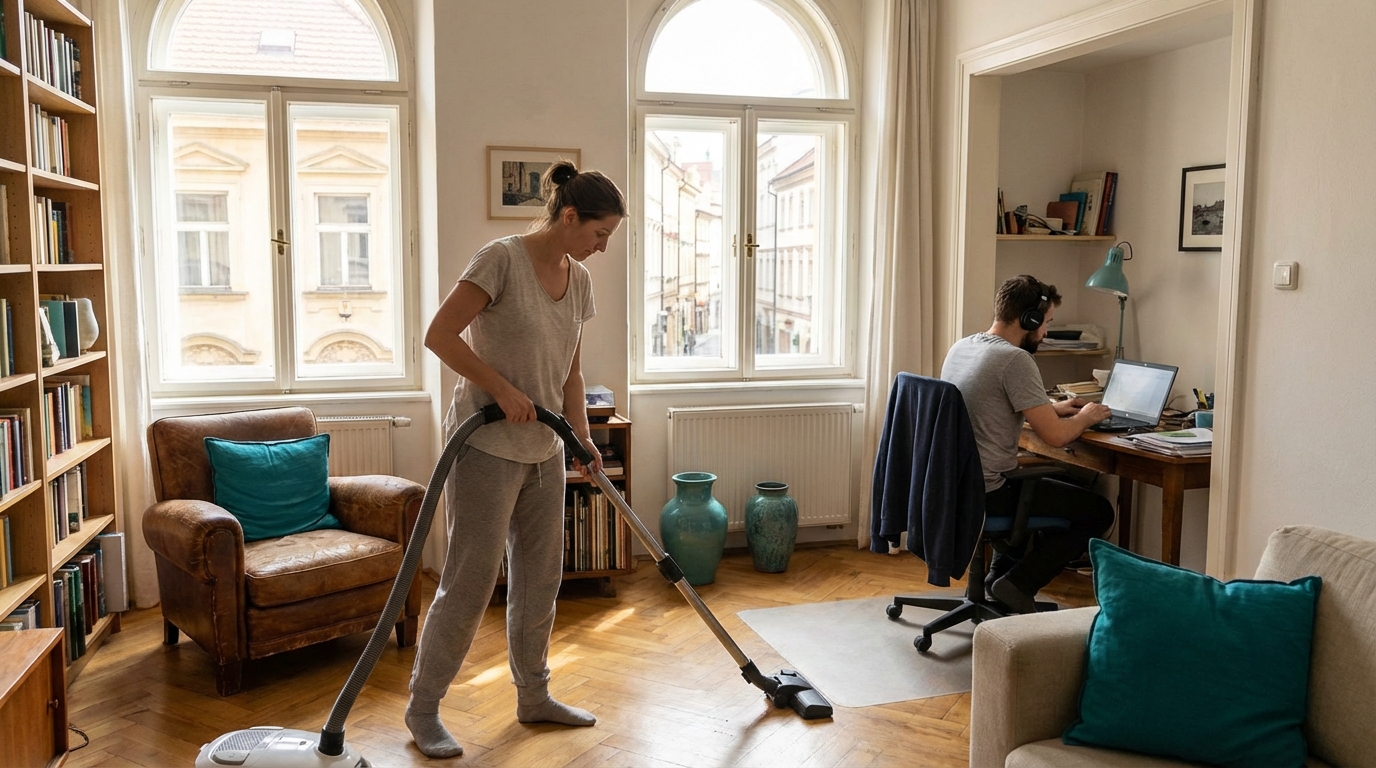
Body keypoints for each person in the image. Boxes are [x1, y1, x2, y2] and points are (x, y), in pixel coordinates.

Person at [406, 161, 626, 759]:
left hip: (545, 449)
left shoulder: (577, 281)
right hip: (485, 447)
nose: (603, 247)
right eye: (600, 234)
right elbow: (440, 334)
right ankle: (423, 708)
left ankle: (534, 695)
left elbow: (571, 373)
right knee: (470, 583)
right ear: (570, 216)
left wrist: (583, 440)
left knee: (540, 578)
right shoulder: (499, 259)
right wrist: (500, 388)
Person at [940, 274, 1116, 614]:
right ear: (1030, 319)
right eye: (1046, 322)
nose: (1046, 332)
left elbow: (989, 401)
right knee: (1098, 510)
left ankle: (1000, 579)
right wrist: (1088, 415)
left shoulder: (964, 346)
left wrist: (1052, 409)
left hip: (955, 486)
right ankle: (1017, 584)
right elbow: (1057, 437)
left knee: (1062, 487)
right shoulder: (1016, 360)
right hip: (989, 493)